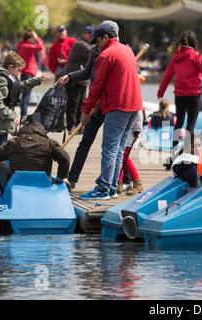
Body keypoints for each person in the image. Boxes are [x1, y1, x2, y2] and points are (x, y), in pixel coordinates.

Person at [79, 23, 142, 200]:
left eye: (98, 41)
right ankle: (113, 187)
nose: (97, 45)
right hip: (134, 105)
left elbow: (96, 86)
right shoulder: (127, 50)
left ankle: (104, 188)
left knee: (109, 148)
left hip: (118, 105)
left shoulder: (106, 55)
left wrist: (86, 109)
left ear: (106, 37)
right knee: (119, 148)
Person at [54, 20, 119, 192]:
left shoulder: (121, 50)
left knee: (115, 145)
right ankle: (72, 179)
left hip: (114, 103)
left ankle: (122, 181)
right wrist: (70, 76)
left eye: (99, 39)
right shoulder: (96, 50)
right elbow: (88, 72)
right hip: (97, 103)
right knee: (85, 141)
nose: (97, 43)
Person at [0, 51, 48, 147]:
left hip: (3, 121)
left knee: (3, 151)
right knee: (0, 153)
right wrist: (12, 116)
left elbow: (19, 87)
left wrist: (37, 80)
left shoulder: (9, 76)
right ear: (10, 67)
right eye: (18, 70)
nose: (19, 73)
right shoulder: (1, 79)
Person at [0, 122, 70, 193]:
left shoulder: (14, 143)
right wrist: (61, 178)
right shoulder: (50, 143)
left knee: (2, 164)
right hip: (42, 184)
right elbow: (65, 158)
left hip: (16, 184)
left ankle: (5, 193)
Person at [157, 30, 202, 148]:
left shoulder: (175, 56)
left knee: (178, 123)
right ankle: (187, 154)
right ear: (194, 42)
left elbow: (167, 76)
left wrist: (161, 92)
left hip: (179, 95)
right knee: (191, 125)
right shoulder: (197, 56)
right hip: (194, 94)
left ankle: (174, 153)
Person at [58, 26, 93, 133]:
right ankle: (71, 127)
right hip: (74, 79)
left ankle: (79, 127)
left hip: (82, 80)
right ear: (85, 34)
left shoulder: (86, 43)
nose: (93, 37)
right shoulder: (80, 44)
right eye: (91, 34)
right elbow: (94, 53)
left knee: (81, 105)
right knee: (73, 104)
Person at [16, 29, 44, 122]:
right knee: (26, 96)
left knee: (25, 95)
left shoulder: (22, 45)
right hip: (28, 72)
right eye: (32, 38)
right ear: (29, 38)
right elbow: (40, 47)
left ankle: (23, 116)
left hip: (25, 72)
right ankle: (24, 116)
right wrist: (37, 37)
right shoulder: (26, 46)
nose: (33, 40)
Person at [117, 110, 144, 195]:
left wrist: (137, 129)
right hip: (124, 133)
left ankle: (137, 182)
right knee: (121, 158)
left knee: (124, 157)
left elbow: (139, 115)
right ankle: (119, 183)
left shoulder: (136, 104)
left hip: (130, 135)